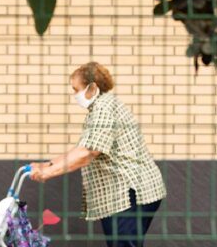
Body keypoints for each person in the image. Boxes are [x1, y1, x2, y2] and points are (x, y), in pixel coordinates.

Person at [29, 61, 166, 247]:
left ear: (92, 87)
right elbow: (80, 149)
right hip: (129, 193)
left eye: (76, 89)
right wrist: (47, 165)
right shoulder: (101, 108)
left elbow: (87, 153)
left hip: (130, 193)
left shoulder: (104, 109)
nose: (74, 94)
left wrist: (47, 173)